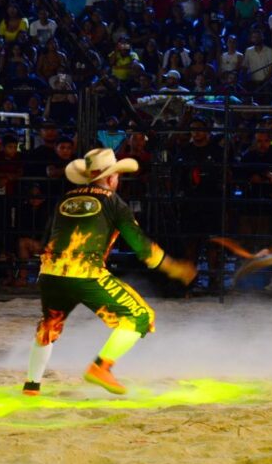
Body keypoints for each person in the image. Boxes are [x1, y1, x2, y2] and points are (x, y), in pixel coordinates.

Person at [25, 149, 196, 397]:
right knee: (140, 316)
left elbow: (48, 238)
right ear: (111, 177)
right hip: (86, 272)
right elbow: (141, 246)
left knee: (49, 324)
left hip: (50, 272)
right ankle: (101, 367)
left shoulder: (65, 200)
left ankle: (32, 385)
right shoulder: (113, 202)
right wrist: (174, 267)